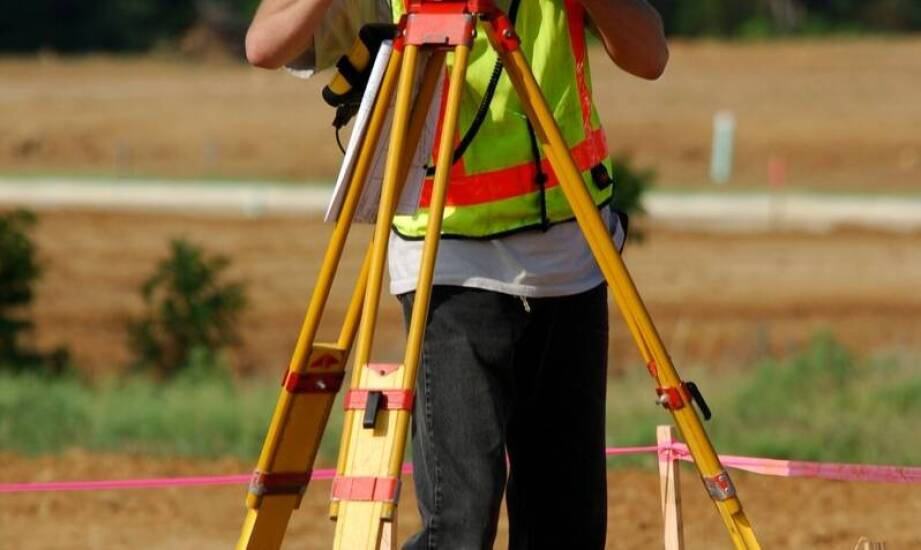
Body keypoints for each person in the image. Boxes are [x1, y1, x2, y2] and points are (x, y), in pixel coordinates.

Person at [246, 1, 668, 548]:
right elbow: (265, 44)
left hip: (570, 255)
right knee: (460, 524)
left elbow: (650, 55)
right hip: (448, 263)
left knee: (567, 524)